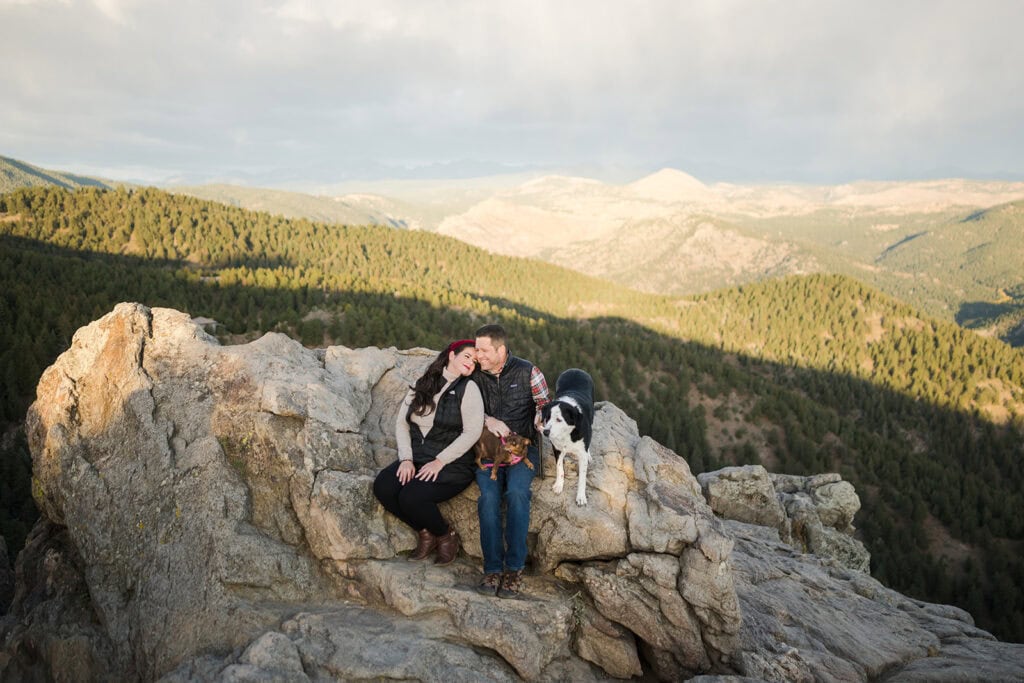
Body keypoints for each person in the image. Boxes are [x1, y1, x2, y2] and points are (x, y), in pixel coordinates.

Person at [373, 339, 484, 564]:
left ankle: (445, 535)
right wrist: (406, 459)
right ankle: (426, 533)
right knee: (383, 487)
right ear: (452, 355)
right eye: (467, 357)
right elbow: (403, 423)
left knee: (411, 496)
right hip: (419, 457)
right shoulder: (424, 382)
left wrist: (440, 461)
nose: (471, 364)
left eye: (474, 362)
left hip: (454, 465)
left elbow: (472, 432)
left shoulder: (468, 388)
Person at [472, 323, 549, 598]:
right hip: (490, 452)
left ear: (501, 349)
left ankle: (513, 569)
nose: (477, 354)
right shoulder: (474, 375)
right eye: (476, 349)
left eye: (483, 350)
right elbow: (461, 409)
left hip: (521, 452)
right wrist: (487, 420)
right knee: (488, 499)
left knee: (517, 494)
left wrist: (541, 419)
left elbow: (544, 404)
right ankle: (492, 568)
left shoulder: (529, 371)